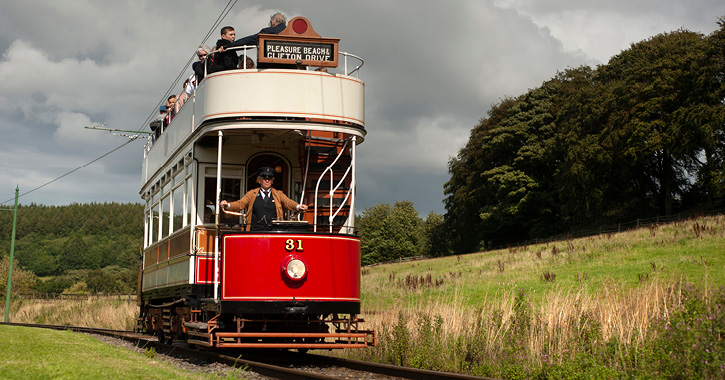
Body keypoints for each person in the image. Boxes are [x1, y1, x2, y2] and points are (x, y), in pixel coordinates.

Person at [220, 167, 307, 231]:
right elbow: (240, 204)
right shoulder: (252, 194)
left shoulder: (278, 194)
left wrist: (299, 207)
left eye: (269, 179)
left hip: (273, 231)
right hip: (255, 231)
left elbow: (288, 202)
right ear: (260, 180)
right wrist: (228, 205)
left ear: (272, 181)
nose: (267, 181)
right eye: (264, 178)